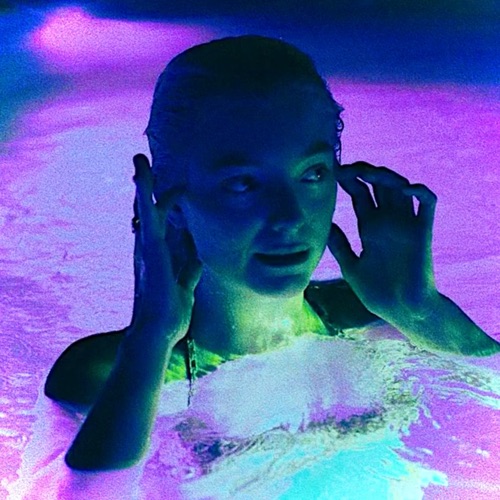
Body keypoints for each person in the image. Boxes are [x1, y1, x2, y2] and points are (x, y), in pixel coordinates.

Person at [43, 34, 500, 473]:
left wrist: (423, 313)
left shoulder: (382, 318)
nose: (290, 217)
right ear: (173, 204)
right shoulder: (104, 375)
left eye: (312, 173)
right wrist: (149, 342)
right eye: (243, 182)